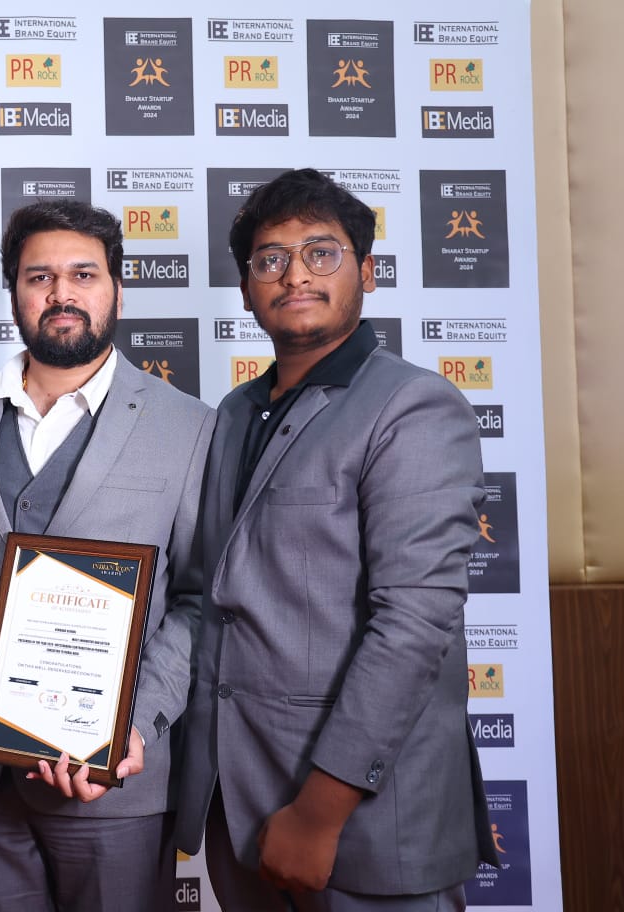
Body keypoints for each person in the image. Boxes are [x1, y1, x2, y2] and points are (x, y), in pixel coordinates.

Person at [173, 168, 497, 910]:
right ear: (247, 289)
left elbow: (414, 624)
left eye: (321, 253)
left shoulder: (414, 407)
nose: (295, 275)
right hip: (239, 810)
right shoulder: (235, 413)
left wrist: (320, 813)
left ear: (367, 272)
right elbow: (212, 598)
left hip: (360, 821)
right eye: (270, 259)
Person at [0, 199, 215, 911]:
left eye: (84, 274)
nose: (62, 294)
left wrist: (135, 725)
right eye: (40, 277)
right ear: (14, 293)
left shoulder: (189, 426)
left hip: (110, 781)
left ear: (116, 287)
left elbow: (201, 600)